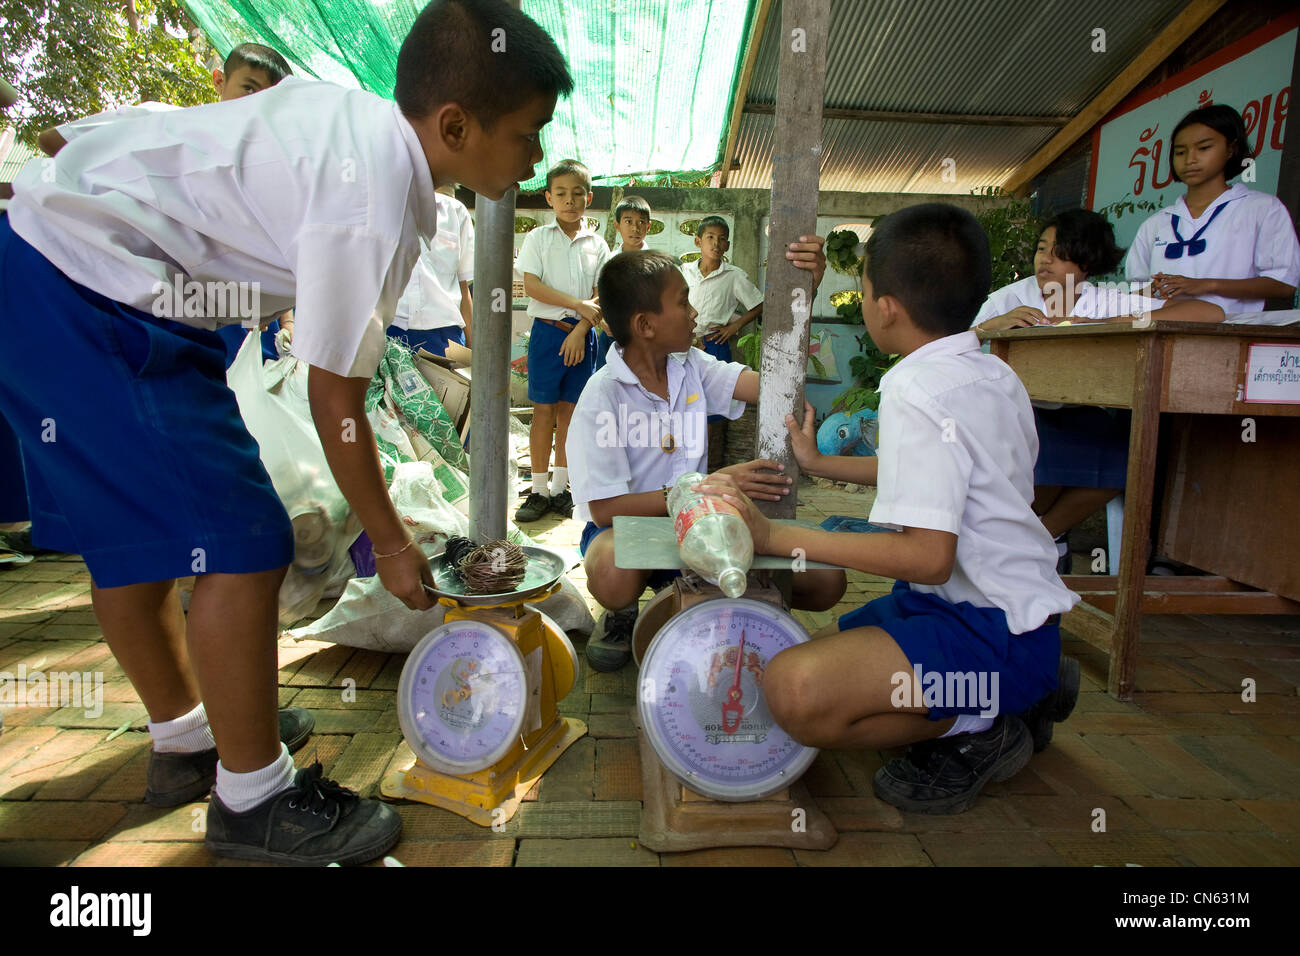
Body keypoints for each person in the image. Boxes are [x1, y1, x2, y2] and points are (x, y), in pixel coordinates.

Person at [0, 0, 571, 864]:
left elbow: (82, 142)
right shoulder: (369, 189)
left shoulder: (353, 126)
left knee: (138, 542)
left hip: (57, 273)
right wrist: (391, 542)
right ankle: (255, 802)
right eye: (530, 136)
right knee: (244, 544)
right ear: (455, 124)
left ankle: (192, 740)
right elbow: (334, 396)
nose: (534, 159)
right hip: (92, 292)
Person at [697, 204, 1081, 814]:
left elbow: (928, 556)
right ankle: (1029, 684)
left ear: (887, 308)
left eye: (865, 287)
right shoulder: (991, 373)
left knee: (795, 692)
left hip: (989, 626)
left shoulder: (913, 387)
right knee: (819, 655)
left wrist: (777, 535)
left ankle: (986, 724)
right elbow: (944, 475)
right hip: (976, 610)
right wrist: (820, 464)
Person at [567, 249, 844, 672]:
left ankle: (699, 598)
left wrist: (804, 296)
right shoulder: (602, 396)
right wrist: (704, 487)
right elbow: (605, 510)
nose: (695, 313)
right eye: (682, 302)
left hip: (705, 525)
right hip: (634, 529)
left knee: (827, 581)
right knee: (611, 572)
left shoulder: (690, 365)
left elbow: (772, 387)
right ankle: (626, 611)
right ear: (645, 325)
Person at [972, 210, 1222, 571]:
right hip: (1017, 413)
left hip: (1080, 414)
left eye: (1060, 253)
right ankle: (1028, 546)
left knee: (1127, 462)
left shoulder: (1104, 300)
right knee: (1032, 460)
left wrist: (1101, 323)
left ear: (1087, 263)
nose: (1045, 259)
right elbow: (955, 347)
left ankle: (1044, 539)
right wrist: (986, 328)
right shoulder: (1008, 299)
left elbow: (1209, 312)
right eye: (1042, 249)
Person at [1125, 103, 1300, 318]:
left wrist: (1206, 285)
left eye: (1204, 148)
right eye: (1180, 152)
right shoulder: (1156, 223)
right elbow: (1135, 293)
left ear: (1231, 149)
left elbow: (1283, 284)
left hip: (1231, 336)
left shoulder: (1261, 208)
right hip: (1160, 334)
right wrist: (1153, 289)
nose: (1190, 159)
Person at [513, 158, 610, 522]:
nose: (569, 200)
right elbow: (533, 285)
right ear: (549, 198)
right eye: (561, 194)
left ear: (588, 197)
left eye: (576, 193)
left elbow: (601, 294)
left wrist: (582, 328)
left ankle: (560, 490)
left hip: (582, 338)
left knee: (571, 414)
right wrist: (577, 306)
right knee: (543, 413)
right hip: (546, 336)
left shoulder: (598, 244)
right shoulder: (538, 237)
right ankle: (537, 491)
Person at [682, 216, 764, 471]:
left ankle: (713, 468)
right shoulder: (683, 272)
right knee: (686, 403)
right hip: (685, 345)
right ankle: (686, 466)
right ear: (698, 241)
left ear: (727, 245)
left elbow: (759, 303)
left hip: (715, 344)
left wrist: (734, 327)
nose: (715, 244)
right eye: (709, 238)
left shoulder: (733, 276)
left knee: (716, 408)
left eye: (721, 239)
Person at [387, 184, 475, 357]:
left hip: (444, 334)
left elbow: (463, 288)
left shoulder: (455, 212)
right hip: (388, 327)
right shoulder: (383, 206)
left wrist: (474, 354)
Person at [594, 194, 653, 369]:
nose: (635, 228)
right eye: (628, 221)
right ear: (617, 225)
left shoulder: (657, 263)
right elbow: (600, 297)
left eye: (641, 222)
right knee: (606, 383)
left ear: (648, 226)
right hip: (612, 335)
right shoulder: (608, 261)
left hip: (643, 337)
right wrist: (603, 321)